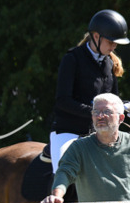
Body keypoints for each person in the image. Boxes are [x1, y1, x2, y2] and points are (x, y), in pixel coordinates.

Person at [48, 10, 128, 174]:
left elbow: (114, 100)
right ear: (96, 37)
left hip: (99, 132)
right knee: (65, 170)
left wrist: (124, 107)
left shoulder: (108, 64)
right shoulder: (72, 59)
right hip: (68, 131)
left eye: (116, 43)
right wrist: (95, 112)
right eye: (111, 41)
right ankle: (56, 197)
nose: (114, 46)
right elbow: (63, 101)